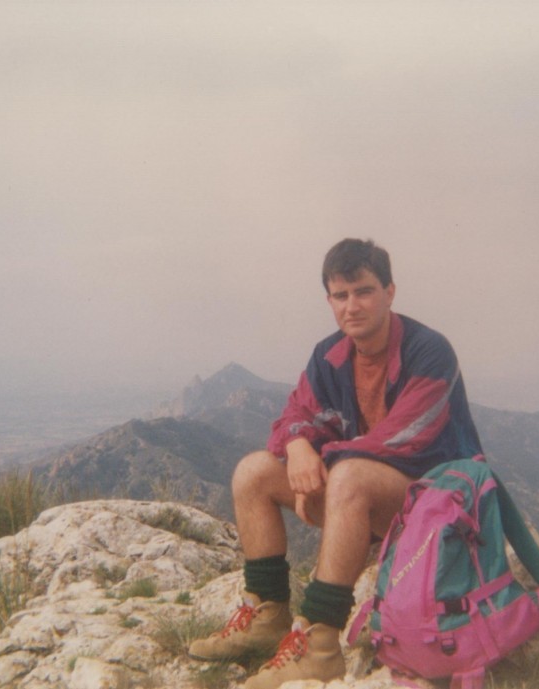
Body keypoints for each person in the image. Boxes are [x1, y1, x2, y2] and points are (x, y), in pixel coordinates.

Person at [189, 238, 484, 689]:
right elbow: (293, 416)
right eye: (340, 295)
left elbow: (404, 437)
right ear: (329, 300)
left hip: (440, 509)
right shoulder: (330, 356)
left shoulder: (430, 351)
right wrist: (298, 447)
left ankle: (320, 644)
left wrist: (320, 462)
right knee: (253, 471)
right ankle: (267, 614)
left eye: (364, 291)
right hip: (367, 497)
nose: (352, 306)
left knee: (348, 472)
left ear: (390, 291)